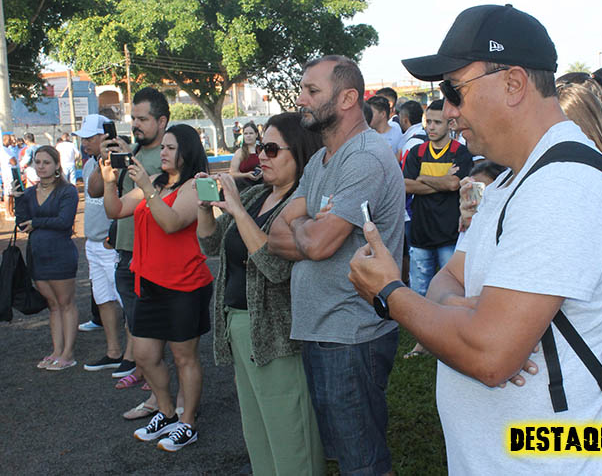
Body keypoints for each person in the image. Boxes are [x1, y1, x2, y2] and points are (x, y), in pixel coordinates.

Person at [349, 4, 602, 474]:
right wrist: (469, 313)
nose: (447, 110)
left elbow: (489, 356)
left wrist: (390, 293)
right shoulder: (512, 180)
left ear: (513, 83)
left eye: (453, 90)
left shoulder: (563, 185)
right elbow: (447, 281)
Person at [268, 55, 405, 475]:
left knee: (363, 462)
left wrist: (306, 226)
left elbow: (319, 244)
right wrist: (311, 225)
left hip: (351, 334)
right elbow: (276, 235)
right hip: (326, 331)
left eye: (312, 91)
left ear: (347, 98)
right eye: (302, 90)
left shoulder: (364, 158)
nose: (301, 100)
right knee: (349, 456)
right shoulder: (321, 159)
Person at [198, 112, 326, 475]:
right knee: (258, 434)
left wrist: (238, 211)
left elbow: (275, 267)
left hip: (277, 335)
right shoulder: (256, 194)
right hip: (240, 327)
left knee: (291, 436)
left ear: (299, 154)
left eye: (271, 149)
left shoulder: (303, 204)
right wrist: (205, 207)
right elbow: (210, 244)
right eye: (259, 148)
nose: (261, 156)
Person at [102, 123, 213, 451]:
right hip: (148, 282)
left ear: (186, 152)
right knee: (145, 356)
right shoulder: (157, 182)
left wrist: (148, 189)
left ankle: (187, 422)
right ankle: (165, 412)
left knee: (184, 357)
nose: (162, 152)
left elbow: (172, 223)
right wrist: (109, 182)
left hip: (184, 284)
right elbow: (116, 210)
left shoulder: (194, 185)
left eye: (170, 147)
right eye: (162, 147)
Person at [88, 87, 169, 392]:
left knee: (156, 324)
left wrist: (130, 159)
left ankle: (159, 385)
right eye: (133, 118)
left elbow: (161, 193)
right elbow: (95, 190)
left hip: (154, 252)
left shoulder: (168, 154)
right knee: (135, 319)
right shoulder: (131, 151)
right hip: (124, 250)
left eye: (142, 119)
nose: (135, 124)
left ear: (161, 121)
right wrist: (105, 159)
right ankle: (144, 370)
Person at [402, 98, 473, 358]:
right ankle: (422, 343)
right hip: (420, 232)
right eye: (428, 122)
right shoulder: (417, 152)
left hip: (450, 233)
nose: (431, 127)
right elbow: (406, 185)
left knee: (452, 291)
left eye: (436, 122)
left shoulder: (460, 152)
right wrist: (441, 180)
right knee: (420, 292)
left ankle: (451, 340)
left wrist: (424, 178)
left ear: (449, 124)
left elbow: (456, 184)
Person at [15, 145, 80, 371]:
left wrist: (37, 223)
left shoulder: (67, 191)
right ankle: (56, 350)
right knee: (53, 305)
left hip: (60, 254)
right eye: (38, 162)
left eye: (46, 162)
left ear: (57, 165)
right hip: (37, 255)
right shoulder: (29, 193)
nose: (41, 167)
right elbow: (22, 224)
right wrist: (18, 199)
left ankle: (68, 353)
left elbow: (64, 221)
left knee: (65, 303)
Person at [72, 115, 124, 373]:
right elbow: (92, 191)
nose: (84, 143)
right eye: (82, 138)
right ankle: (114, 351)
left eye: (89, 138)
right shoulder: (90, 163)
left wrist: (105, 159)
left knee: (125, 299)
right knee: (103, 298)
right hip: (93, 241)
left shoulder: (118, 161)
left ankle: (136, 357)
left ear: (105, 136)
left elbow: (98, 190)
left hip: (111, 243)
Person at [228, 122, 262, 188]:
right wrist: (246, 175)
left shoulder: (263, 151)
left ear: (256, 134)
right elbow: (232, 173)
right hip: (244, 187)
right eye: (246, 133)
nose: (248, 136)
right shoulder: (239, 152)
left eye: (251, 133)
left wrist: (262, 173)